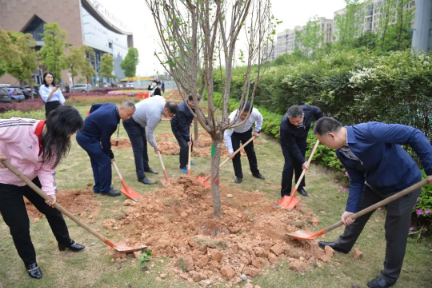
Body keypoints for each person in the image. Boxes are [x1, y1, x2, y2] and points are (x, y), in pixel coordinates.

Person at [313, 117, 432, 288]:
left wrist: (431, 168)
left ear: (331, 136)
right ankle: (343, 245)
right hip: (375, 183)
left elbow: (414, 134)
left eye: (323, 142)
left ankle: (389, 276)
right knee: (355, 216)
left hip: (404, 184)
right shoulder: (341, 151)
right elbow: (356, 180)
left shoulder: (369, 131)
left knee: (394, 231)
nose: (324, 146)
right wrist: (350, 209)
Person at [0, 106, 85, 279]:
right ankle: (30, 261)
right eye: (69, 132)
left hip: (30, 178)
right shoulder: (20, 128)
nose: (70, 136)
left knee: (53, 210)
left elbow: (46, 169)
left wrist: (50, 193)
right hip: (5, 181)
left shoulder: (56, 142)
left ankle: (64, 241)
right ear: (57, 127)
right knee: (20, 225)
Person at [76, 101, 136, 196]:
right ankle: (105, 189)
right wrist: (110, 155)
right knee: (105, 161)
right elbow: (105, 141)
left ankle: (98, 187)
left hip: (88, 135)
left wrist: (93, 121)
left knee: (97, 161)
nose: (129, 118)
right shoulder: (111, 122)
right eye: (128, 115)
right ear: (121, 108)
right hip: (86, 138)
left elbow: (94, 106)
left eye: (131, 116)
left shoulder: (111, 106)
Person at [123, 96, 178, 184]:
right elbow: (149, 134)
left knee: (144, 144)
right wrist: (155, 146)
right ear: (166, 110)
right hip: (131, 121)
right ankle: (141, 176)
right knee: (139, 148)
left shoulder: (162, 100)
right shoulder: (155, 115)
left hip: (139, 121)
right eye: (170, 115)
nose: (170, 117)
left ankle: (145, 167)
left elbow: (156, 96)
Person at [279, 105, 322, 197]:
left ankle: (300, 186)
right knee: (289, 165)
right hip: (288, 143)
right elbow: (293, 147)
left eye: (297, 121)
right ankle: (285, 192)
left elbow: (318, 111)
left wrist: (321, 126)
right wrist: (303, 161)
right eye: (292, 121)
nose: (295, 123)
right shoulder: (285, 125)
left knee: (299, 165)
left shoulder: (308, 110)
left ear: (303, 115)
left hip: (301, 140)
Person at [223, 101, 265, 183]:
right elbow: (227, 135)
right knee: (235, 155)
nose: (242, 116)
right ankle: (239, 176)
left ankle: (255, 172)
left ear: (250, 113)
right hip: (234, 135)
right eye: (241, 114)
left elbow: (260, 120)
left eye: (245, 115)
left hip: (246, 133)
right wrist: (230, 151)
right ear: (239, 110)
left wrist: (257, 130)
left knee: (251, 153)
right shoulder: (232, 118)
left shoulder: (255, 113)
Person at [171, 94, 200, 173]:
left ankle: (187, 159)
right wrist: (187, 139)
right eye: (193, 103)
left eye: (196, 103)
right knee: (184, 145)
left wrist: (189, 122)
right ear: (188, 100)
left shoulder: (193, 106)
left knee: (191, 144)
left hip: (184, 124)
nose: (195, 105)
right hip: (177, 127)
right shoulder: (181, 109)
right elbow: (182, 126)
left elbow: (191, 115)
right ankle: (183, 166)